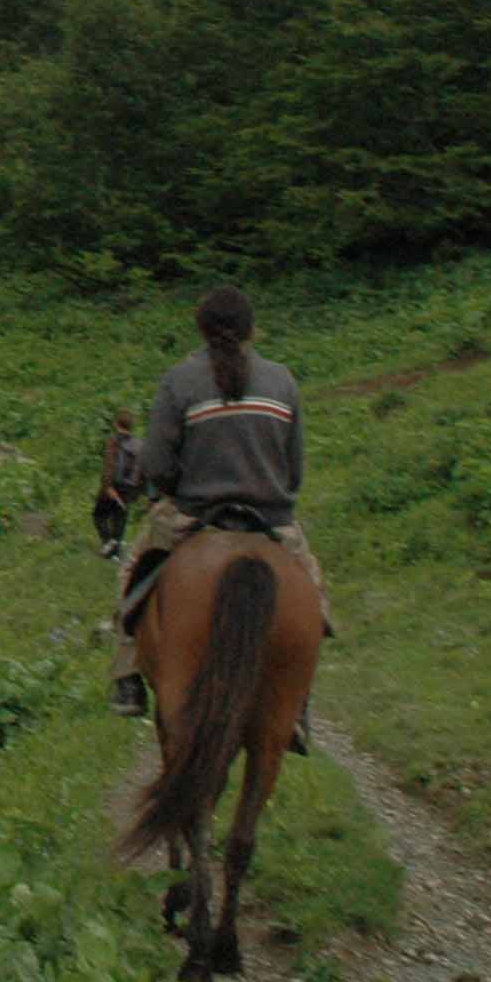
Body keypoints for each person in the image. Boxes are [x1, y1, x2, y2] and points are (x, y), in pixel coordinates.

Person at [106, 285, 333, 749]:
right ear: (252, 330)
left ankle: (128, 676)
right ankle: (298, 699)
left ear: (201, 329)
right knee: (312, 592)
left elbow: (156, 463)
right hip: (270, 517)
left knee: (133, 574)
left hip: (195, 514)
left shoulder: (179, 381)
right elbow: (295, 468)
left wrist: (172, 488)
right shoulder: (282, 381)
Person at [91, 409, 144, 560]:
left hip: (113, 487)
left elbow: (109, 465)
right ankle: (116, 551)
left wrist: (107, 486)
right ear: (131, 426)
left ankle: (109, 545)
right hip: (129, 488)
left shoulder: (113, 441)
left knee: (98, 515)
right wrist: (138, 491)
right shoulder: (138, 444)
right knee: (120, 519)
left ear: (116, 424)